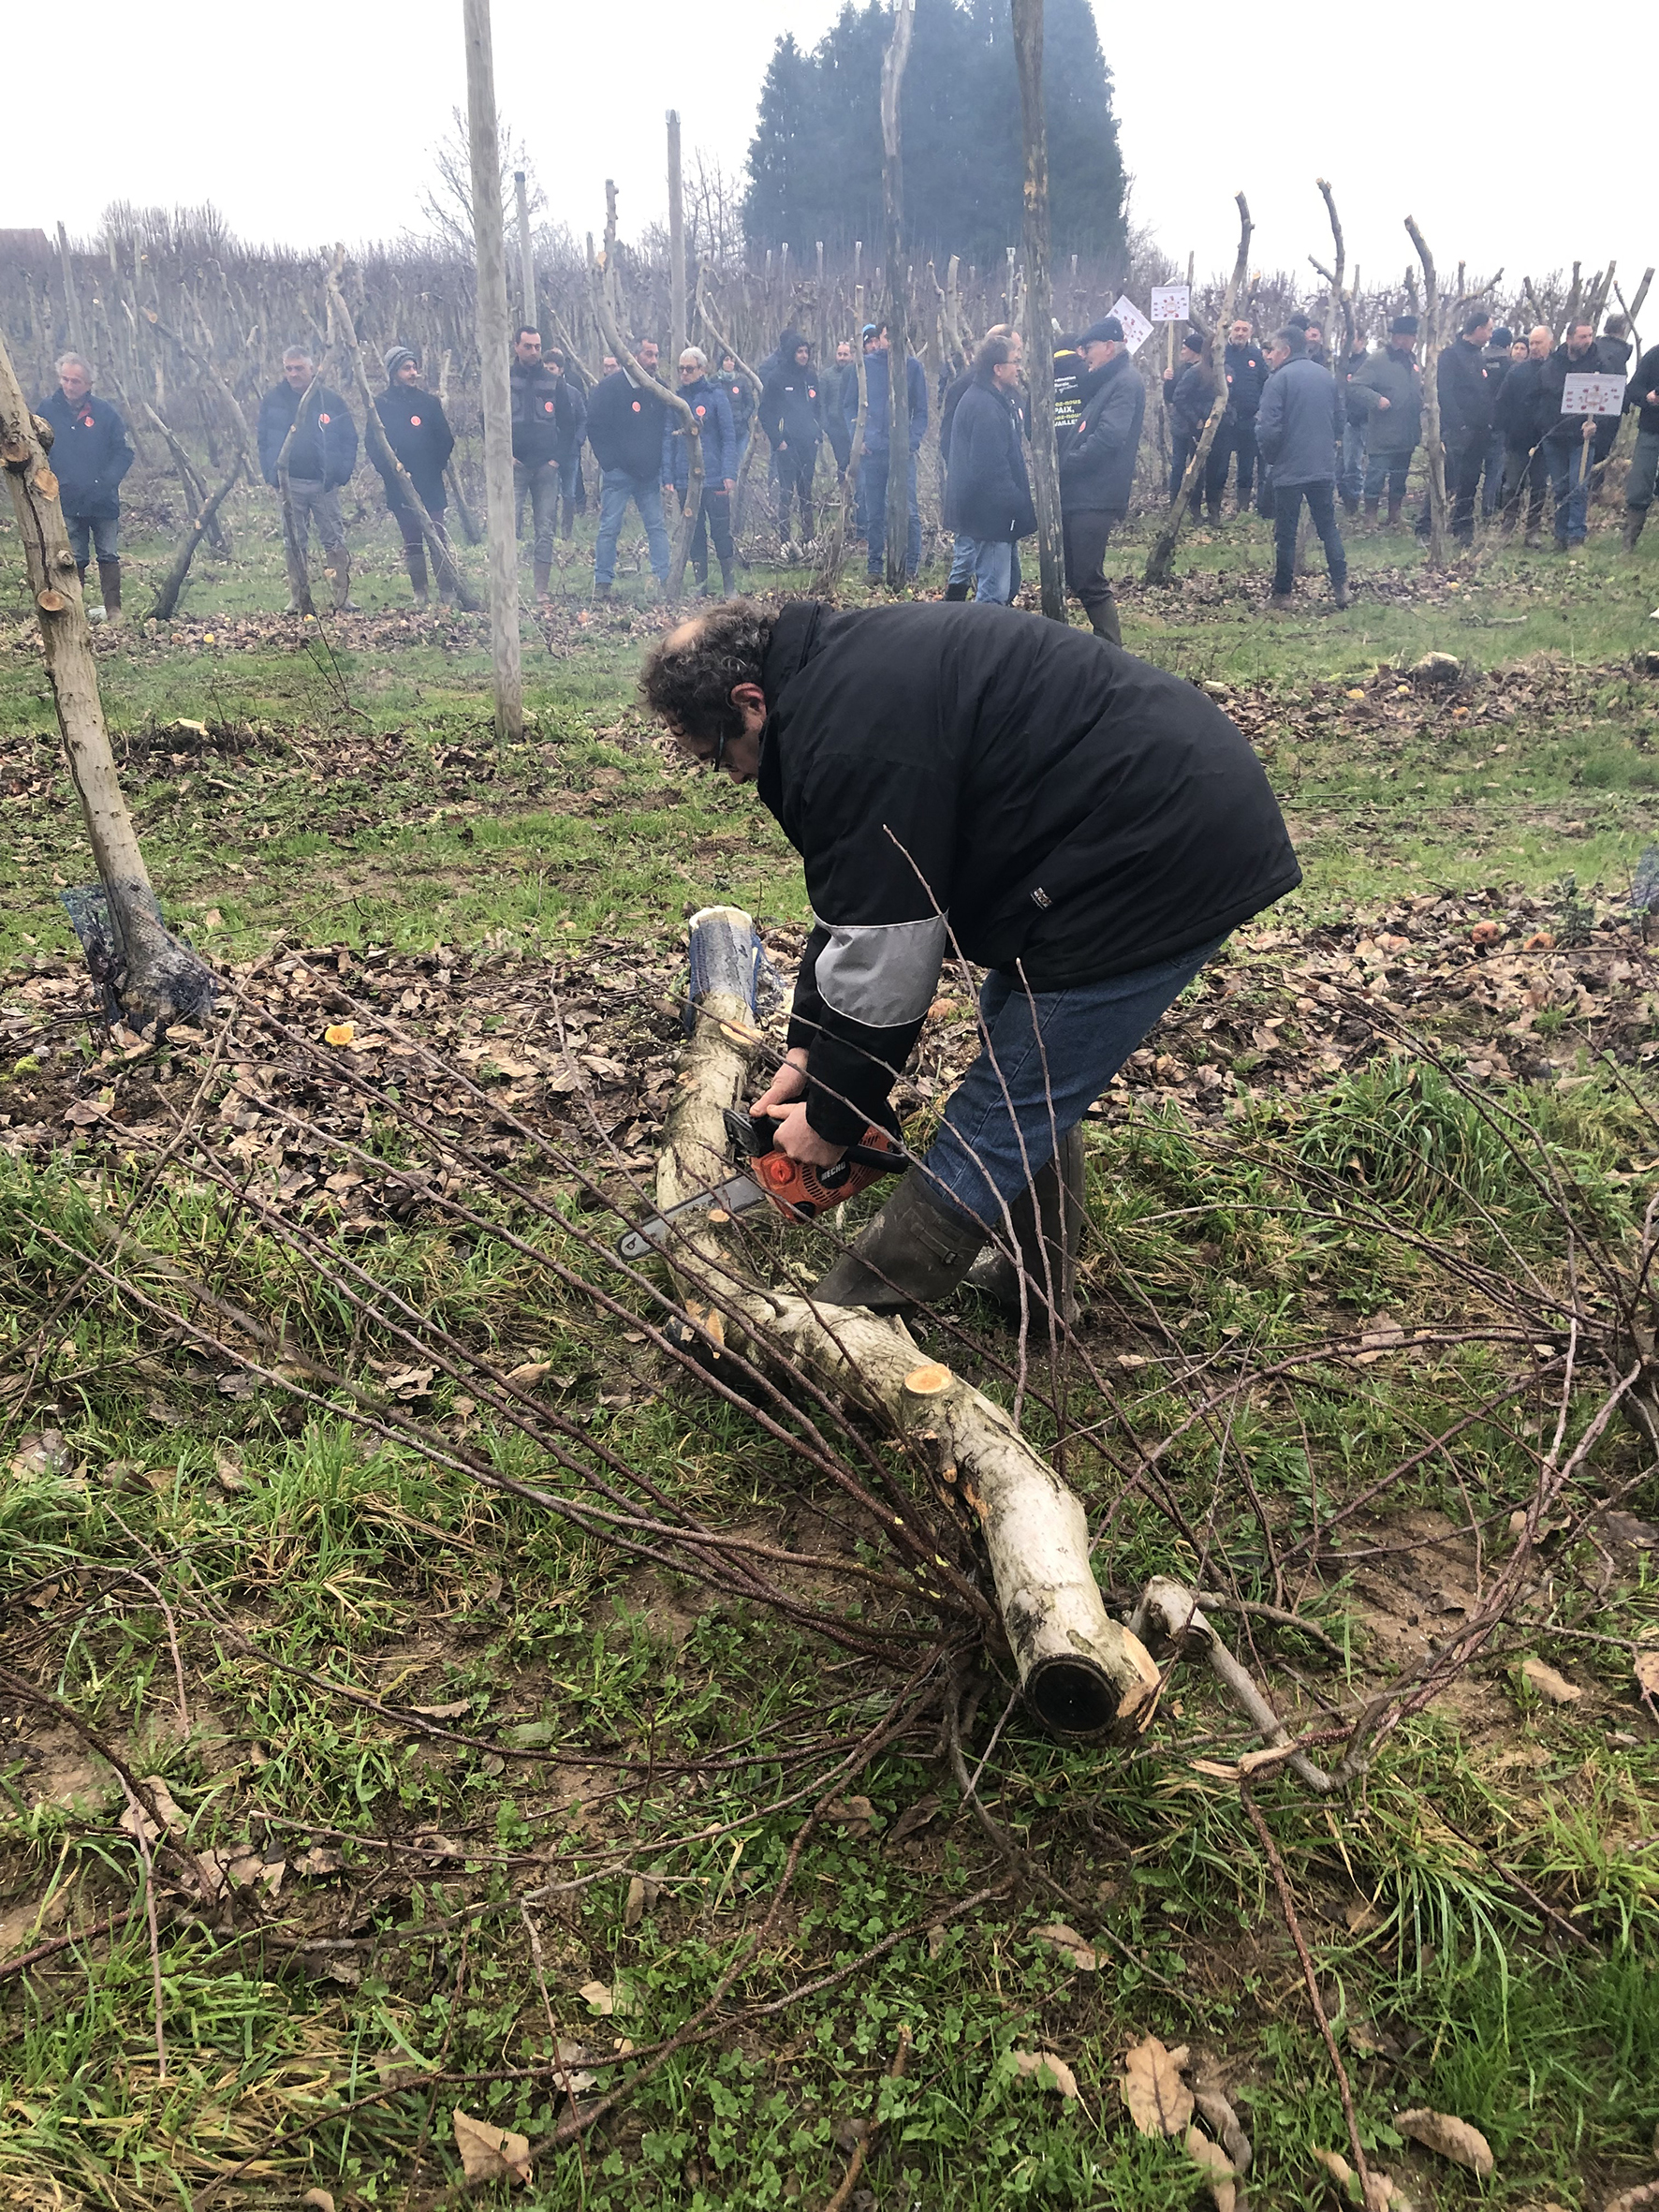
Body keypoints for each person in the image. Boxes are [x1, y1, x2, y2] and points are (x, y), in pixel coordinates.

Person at [639, 598, 1300, 1321]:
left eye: (718, 755)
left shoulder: (847, 736)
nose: (730, 776)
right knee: (1023, 1065)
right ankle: (1034, 1287)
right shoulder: (838, 684)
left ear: (750, 702)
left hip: (1162, 849)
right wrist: (809, 1050)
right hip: (1115, 832)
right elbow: (854, 904)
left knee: (1003, 1106)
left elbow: (889, 952)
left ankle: (832, 1328)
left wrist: (832, 1119)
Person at [1056, 317, 1144, 644]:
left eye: (1088, 348)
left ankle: (1111, 651)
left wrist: (1065, 466)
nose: (1084, 355)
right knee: (1077, 576)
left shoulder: (1124, 382)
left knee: (1088, 578)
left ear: (1110, 347)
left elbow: (1109, 438)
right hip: (1083, 495)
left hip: (1096, 495)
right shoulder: (1107, 380)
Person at [257, 346, 359, 612]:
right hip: (290, 484)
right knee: (293, 541)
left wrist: (341, 473)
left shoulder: (331, 400)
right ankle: (298, 596)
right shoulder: (272, 400)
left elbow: (350, 438)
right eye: (288, 368)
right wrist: (271, 474)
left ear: (312, 369)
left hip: (324, 484)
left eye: (299, 368)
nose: (293, 373)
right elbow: (263, 440)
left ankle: (342, 597)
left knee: (334, 539)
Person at [1255, 324, 1347, 611]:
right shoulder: (1326, 376)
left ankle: (1282, 595)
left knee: (1286, 534)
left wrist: (1273, 458)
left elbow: (1268, 429)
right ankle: (1342, 587)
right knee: (1328, 528)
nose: (1268, 356)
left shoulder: (1277, 380)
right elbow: (1340, 419)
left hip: (1289, 468)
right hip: (1322, 466)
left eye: (1272, 350)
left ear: (1285, 351)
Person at [38, 351, 132, 624]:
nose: (69, 385)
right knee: (74, 556)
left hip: (103, 500)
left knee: (108, 553)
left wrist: (107, 481)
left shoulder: (105, 413)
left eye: (76, 381)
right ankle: (74, 610)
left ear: (89, 384)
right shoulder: (46, 410)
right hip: (66, 498)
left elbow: (123, 453)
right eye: (65, 379)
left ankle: (113, 610)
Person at [942, 333, 1035, 605]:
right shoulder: (984, 407)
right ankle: (977, 645)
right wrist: (1018, 503)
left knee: (1008, 586)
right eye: (1014, 362)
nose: (1019, 368)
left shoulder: (994, 399)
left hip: (998, 516)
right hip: (991, 517)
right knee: (993, 595)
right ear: (997, 369)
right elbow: (990, 471)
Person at [587, 336, 673, 598]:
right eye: (648, 354)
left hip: (649, 475)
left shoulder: (660, 389)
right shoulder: (609, 388)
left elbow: (668, 430)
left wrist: (660, 464)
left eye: (656, 355)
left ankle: (664, 580)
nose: (654, 361)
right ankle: (603, 583)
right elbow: (595, 426)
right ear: (633, 357)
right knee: (609, 527)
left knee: (656, 527)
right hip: (619, 474)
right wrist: (610, 463)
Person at [372, 347, 456, 607]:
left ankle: (448, 590)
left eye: (414, 367)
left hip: (430, 483)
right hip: (400, 486)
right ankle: (420, 591)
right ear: (393, 373)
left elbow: (446, 440)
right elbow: (374, 446)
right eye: (406, 368)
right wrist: (394, 473)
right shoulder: (381, 405)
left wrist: (433, 467)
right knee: (412, 540)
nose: (412, 373)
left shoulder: (429, 403)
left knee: (437, 536)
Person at [508, 327, 580, 604]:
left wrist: (556, 460)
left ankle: (541, 590)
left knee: (545, 528)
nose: (534, 351)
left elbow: (568, 424)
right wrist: (505, 456)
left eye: (537, 346)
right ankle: (509, 584)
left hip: (546, 468)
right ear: (516, 346)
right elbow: (487, 420)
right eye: (528, 346)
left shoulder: (554, 382)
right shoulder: (504, 379)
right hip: (514, 466)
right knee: (509, 525)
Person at [853, 321, 928, 582]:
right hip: (872, 452)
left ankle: (910, 568)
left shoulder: (913, 368)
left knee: (909, 510)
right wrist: (859, 438)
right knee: (874, 512)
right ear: (880, 338)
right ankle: (874, 568)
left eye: (897, 336)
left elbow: (921, 412)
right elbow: (850, 406)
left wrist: (911, 442)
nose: (891, 341)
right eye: (887, 336)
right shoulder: (866, 366)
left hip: (901, 453)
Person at [663, 347, 738, 597]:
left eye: (689, 369)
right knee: (694, 533)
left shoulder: (716, 396)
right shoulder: (676, 400)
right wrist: (669, 476)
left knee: (720, 531)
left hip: (715, 476)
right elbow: (668, 440)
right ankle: (700, 586)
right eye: (681, 369)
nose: (684, 373)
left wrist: (729, 472)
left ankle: (729, 585)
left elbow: (729, 437)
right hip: (686, 478)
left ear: (702, 370)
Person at [1538, 320, 1620, 551]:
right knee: (1560, 487)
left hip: (1582, 438)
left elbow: (1610, 401)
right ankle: (1560, 535)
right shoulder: (1553, 364)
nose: (1587, 341)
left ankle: (1576, 536)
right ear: (1570, 338)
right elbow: (1543, 396)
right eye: (1582, 337)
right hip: (1555, 436)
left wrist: (1597, 425)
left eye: (1590, 336)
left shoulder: (1601, 364)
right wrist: (1544, 424)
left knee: (1578, 486)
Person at [1346, 316, 1421, 529]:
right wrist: (1376, 399)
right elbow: (1355, 387)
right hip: (1384, 432)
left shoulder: (1413, 361)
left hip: (1408, 430)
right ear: (1399, 337)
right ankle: (1370, 515)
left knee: (1400, 477)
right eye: (1411, 336)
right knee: (1376, 476)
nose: (1414, 340)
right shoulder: (1378, 360)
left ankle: (1395, 514)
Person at [759, 332, 825, 551]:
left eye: (806, 352)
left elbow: (819, 409)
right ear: (791, 353)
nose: (804, 356)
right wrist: (778, 441)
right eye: (799, 351)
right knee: (786, 493)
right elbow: (765, 413)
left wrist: (818, 435)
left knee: (806, 491)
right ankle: (786, 540)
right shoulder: (777, 378)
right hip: (787, 444)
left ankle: (809, 537)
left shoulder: (811, 377)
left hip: (809, 443)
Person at [1433, 310, 1494, 544]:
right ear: (1477, 329)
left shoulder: (1479, 356)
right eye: (1488, 329)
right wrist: (1458, 424)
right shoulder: (1450, 355)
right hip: (1459, 430)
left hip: (1479, 430)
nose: (1490, 335)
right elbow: (1445, 392)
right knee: (1447, 479)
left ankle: (1463, 526)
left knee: (1470, 480)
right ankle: (1428, 525)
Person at [1496, 326, 1552, 545]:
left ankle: (1533, 531)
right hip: (1517, 440)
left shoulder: (1557, 370)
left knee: (1539, 485)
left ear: (1550, 342)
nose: (1535, 348)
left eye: (1539, 343)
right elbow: (1502, 402)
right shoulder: (1517, 372)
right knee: (1512, 486)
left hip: (1546, 440)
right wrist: (1506, 430)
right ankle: (1507, 527)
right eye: (1532, 343)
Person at [1207, 318, 1266, 514]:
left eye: (1245, 330)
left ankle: (1242, 508)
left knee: (1246, 468)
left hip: (1249, 421)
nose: (1240, 333)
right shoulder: (1221, 353)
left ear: (1250, 333)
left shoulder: (1256, 356)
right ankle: (1214, 509)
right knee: (1220, 467)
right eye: (1237, 329)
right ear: (1231, 331)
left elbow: (1265, 383)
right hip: (1225, 421)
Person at [1163, 330, 1214, 518]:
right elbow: (1171, 397)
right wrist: (1167, 382)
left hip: (1197, 427)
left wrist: (1199, 420)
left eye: (1185, 349)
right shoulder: (1179, 370)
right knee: (1177, 466)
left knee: (1197, 468)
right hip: (1181, 427)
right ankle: (1174, 505)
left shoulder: (1206, 371)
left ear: (1194, 350)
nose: (1182, 352)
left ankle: (1195, 507)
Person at [1622, 337, 1659, 550]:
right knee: (1640, 482)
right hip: (1651, 429)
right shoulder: (1654, 355)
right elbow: (1633, 388)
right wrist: (1648, 397)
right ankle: (1629, 539)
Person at [1480, 326, 1514, 517]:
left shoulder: (1479, 359)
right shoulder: (1510, 365)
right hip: (1499, 426)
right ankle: (1488, 512)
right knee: (1494, 472)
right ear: (1508, 345)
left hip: (1476, 425)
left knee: (1468, 471)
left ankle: (1459, 509)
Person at [1336, 330, 1370, 515]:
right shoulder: (1343, 362)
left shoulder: (1368, 362)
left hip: (1360, 421)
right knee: (1341, 467)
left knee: (1353, 465)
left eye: (1351, 338)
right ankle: (1347, 500)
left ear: (1362, 340)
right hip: (1344, 420)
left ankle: (1354, 505)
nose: (1346, 341)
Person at [826, 338, 857, 479]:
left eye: (845, 354)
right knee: (842, 464)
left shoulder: (857, 374)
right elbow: (821, 403)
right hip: (835, 429)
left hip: (854, 426)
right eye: (840, 354)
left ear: (851, 356)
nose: (842, 358)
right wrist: (826, 426)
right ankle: (843, 495)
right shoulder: (827, 376)